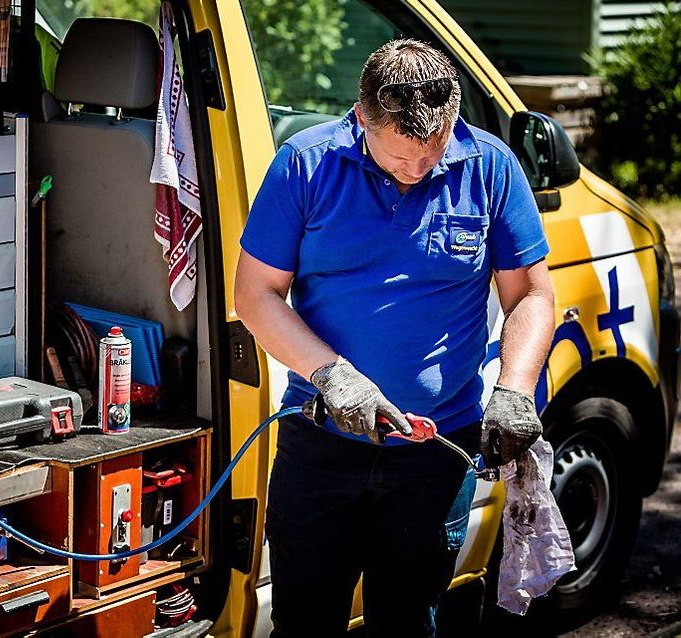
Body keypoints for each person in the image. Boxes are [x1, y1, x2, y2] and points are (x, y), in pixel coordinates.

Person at [234, 39, 555, 637]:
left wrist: (515, 388)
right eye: (400, 158)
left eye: (431, 156)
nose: (417, 172)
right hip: (320, 444)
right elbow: (255, 295)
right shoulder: (306, 164)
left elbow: (532, 295)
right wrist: (333, 376)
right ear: (361, 119)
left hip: (436, 456)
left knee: (409, 623)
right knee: (304, 623)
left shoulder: (490, 167)